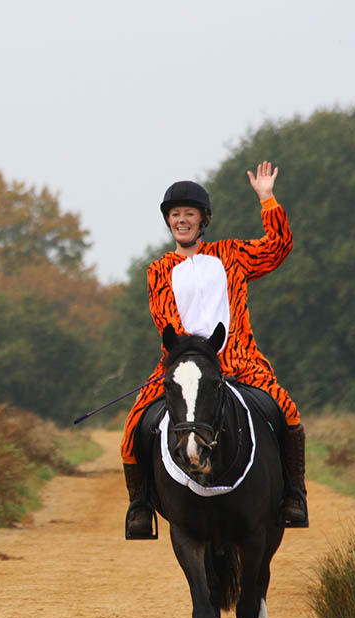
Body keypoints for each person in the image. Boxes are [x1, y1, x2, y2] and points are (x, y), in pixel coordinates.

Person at [120, 161, 307, 538]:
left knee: (287, 410)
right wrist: (193, 360)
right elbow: (166, 322)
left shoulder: (231, 254)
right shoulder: (158, 270)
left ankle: (293, 494)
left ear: (203, 219)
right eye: (175, 215)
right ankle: (140, 505)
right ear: (169, 221)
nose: (182, 220)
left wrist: (267, 199)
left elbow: (277, 248)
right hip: (183, 365)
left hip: (239, 359)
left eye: (189, 214)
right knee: (132, 428)